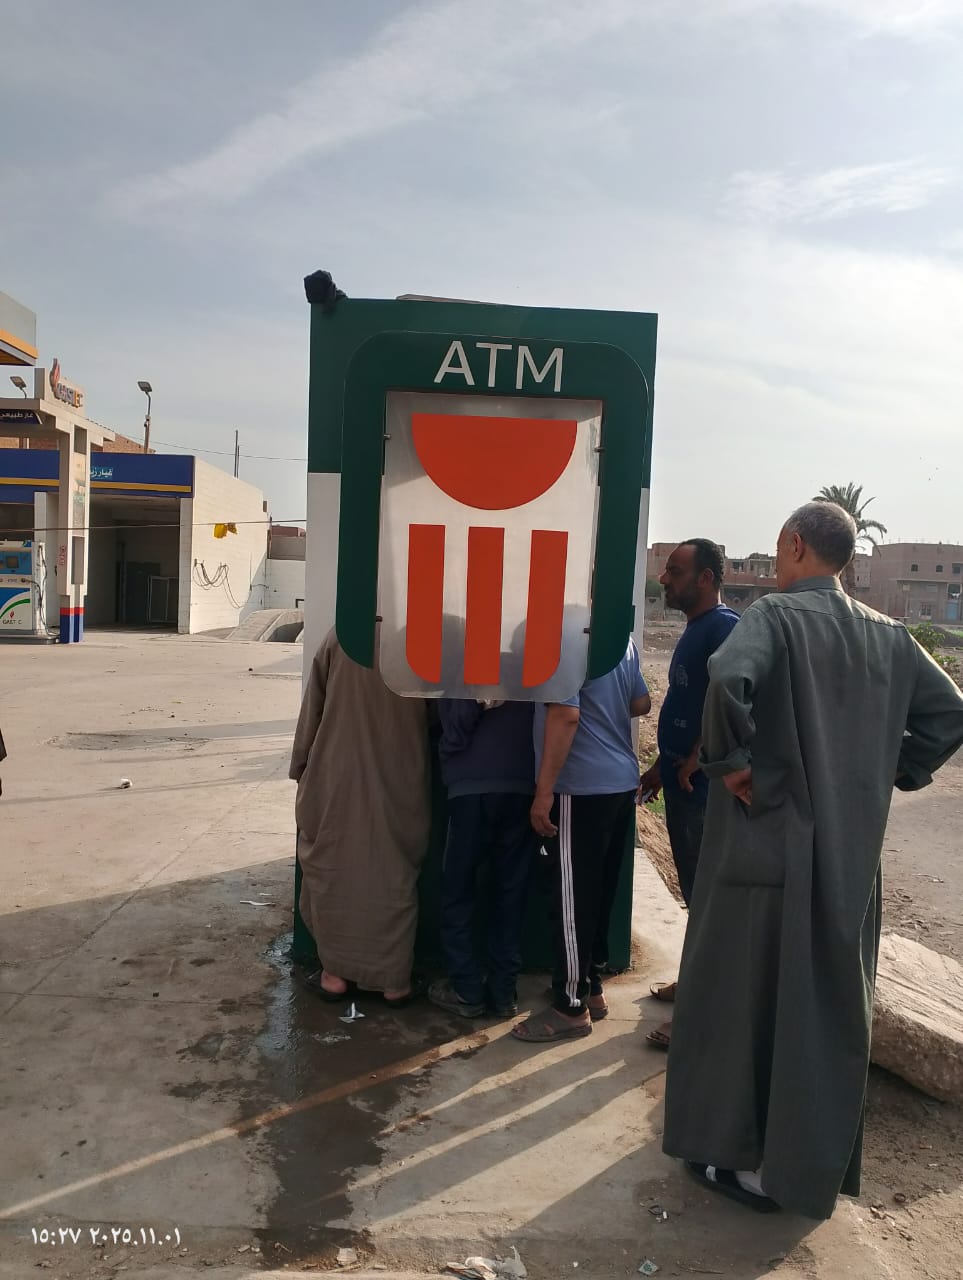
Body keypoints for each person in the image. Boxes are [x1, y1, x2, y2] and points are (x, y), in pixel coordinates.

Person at [663, 502, 963, 1219]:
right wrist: (886, 770)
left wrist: (731, 762)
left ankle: (742, 1161)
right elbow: (950, 714)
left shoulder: (773, 616)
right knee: (824, 1009)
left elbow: (727, 679)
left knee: (742, 1000)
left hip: (762, 848)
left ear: (795, 546)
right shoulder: (891, 636)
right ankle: (798, 1171)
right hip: (849, 861)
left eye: (776, 551)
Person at [512, 640, 652, 1042]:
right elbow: (640, 702)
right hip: (619, 783)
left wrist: (544, 792)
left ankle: (570, 1007)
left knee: (572, 899)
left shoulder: (562, 637)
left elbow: (566, 715)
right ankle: (590, 988)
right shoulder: (619, 640)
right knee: (597, 894)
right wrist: (603, 710)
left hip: (579, 787)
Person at [289, 628, 431, 1006]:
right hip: (402, 773)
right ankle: (394, 983)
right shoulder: (424, 638)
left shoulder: (343, 636)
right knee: (393, 872)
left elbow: (313, 705)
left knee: (335, 866)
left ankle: (334, 976)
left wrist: (300, 762)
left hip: (337, 771)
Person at [639, 540, 739, 1048]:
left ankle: (701, 1017)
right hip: (680, 783)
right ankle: (695, 983)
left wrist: (701, 751)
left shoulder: (724, 628)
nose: (664, 579)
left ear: (705, 578)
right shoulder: (698, 628)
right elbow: (694, 700)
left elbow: (738, 695)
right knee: (695, 898)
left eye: (675, 571)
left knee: (709, 902)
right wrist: (664, 763)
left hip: (703, 792)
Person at [429, 699, 537, 1018]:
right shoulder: (533, 668)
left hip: (471, 786)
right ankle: (503, 991)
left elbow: (461, 715)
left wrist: (447, 748)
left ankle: (466, 989)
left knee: (458, 889)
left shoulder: (471, 665)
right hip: (522, 781)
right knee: (511, 892)